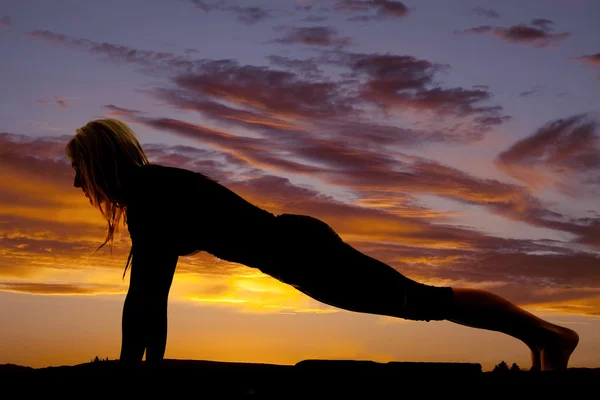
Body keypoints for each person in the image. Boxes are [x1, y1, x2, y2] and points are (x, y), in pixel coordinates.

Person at [66, 118, 579, 371]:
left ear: (96, 163)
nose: (76, 185)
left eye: (77, 172)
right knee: (422, 303)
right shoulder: (159, 190)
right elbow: (152, 296)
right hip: (300, 252)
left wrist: (133, 373)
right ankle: (540, 338)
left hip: (306, 256)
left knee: (423, 302)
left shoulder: (150, 198)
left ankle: (548, 334)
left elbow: (147, 300)